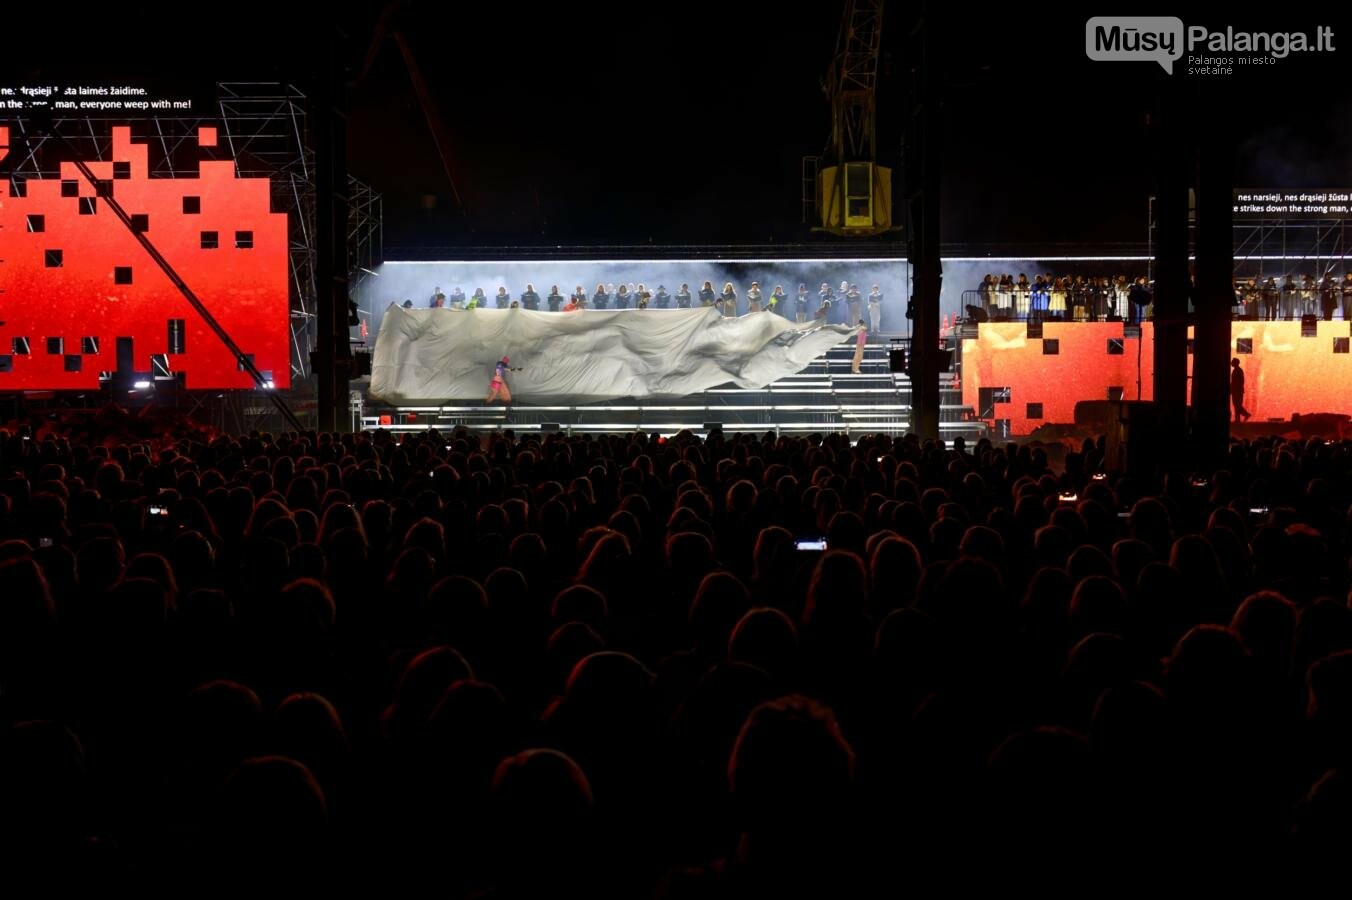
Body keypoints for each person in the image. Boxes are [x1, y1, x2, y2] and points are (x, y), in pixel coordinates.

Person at [1230, 357, 1251, 423]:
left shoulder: (1238, 371)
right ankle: (1238, 419)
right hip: (1237, 391)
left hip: (1237, 391)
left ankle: (1245, 415)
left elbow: (1238, 382)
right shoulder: (1237, 370)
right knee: (1237, 405)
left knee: (1237, 405)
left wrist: (1233, 389)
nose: (1231, 363)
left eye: (1232, 362)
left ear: (1235, 363)